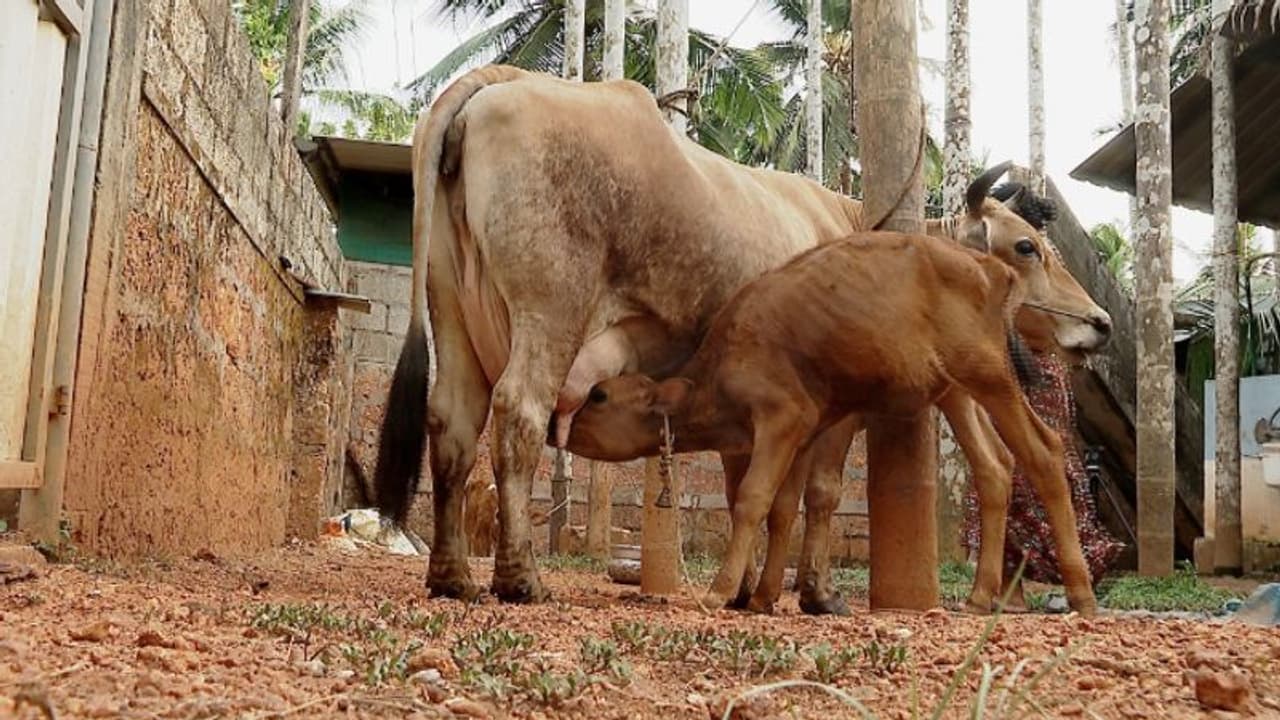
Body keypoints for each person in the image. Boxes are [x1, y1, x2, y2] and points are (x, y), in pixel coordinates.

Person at [960, 183, 1124, 610]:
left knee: (1032, 471)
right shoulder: (1010, 251)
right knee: (1000, 471)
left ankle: (1061, 579)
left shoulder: (1036, 256)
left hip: (1030, 371)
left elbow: (1037, 312)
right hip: (1006, 365)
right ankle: (1008, 588)